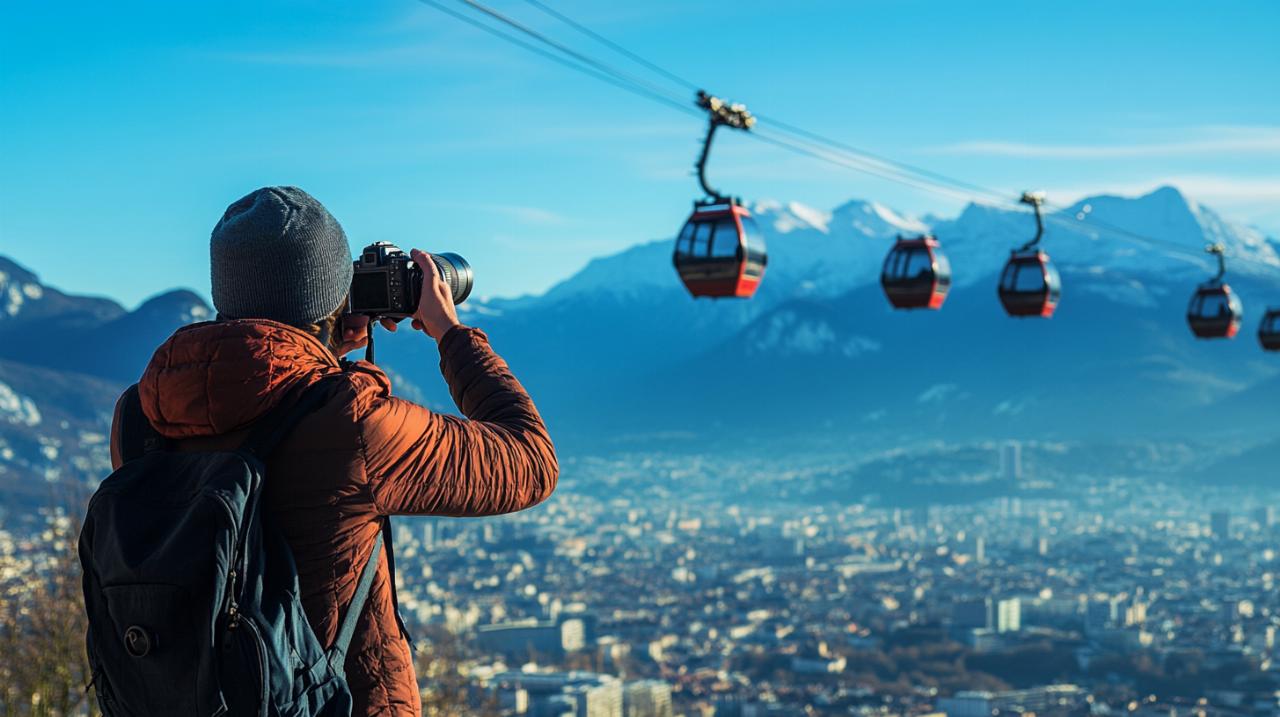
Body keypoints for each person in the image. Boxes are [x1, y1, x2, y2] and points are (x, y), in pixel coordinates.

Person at [108, 186, 558, 716]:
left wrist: (316, 352)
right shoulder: (349, 421)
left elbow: (252, 403)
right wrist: (449, 333)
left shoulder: (140, 415)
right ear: (331, 295)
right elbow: (530, 460)